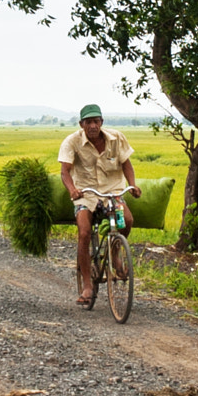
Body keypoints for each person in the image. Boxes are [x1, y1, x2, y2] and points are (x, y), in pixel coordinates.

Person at [58, 104, 138, 307]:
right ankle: (87, 285)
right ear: (81, 124)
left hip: (112, 192)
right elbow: (65, 171)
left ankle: (116, 252)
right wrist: (72, 190)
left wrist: (132, 185)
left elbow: (126, 164)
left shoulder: (116, 138)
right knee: (84, 232)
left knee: (127, 220)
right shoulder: (72, 142)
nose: (92, 126)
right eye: (88, 122)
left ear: (101, 122)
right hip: (86, 194)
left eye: (96, 121)